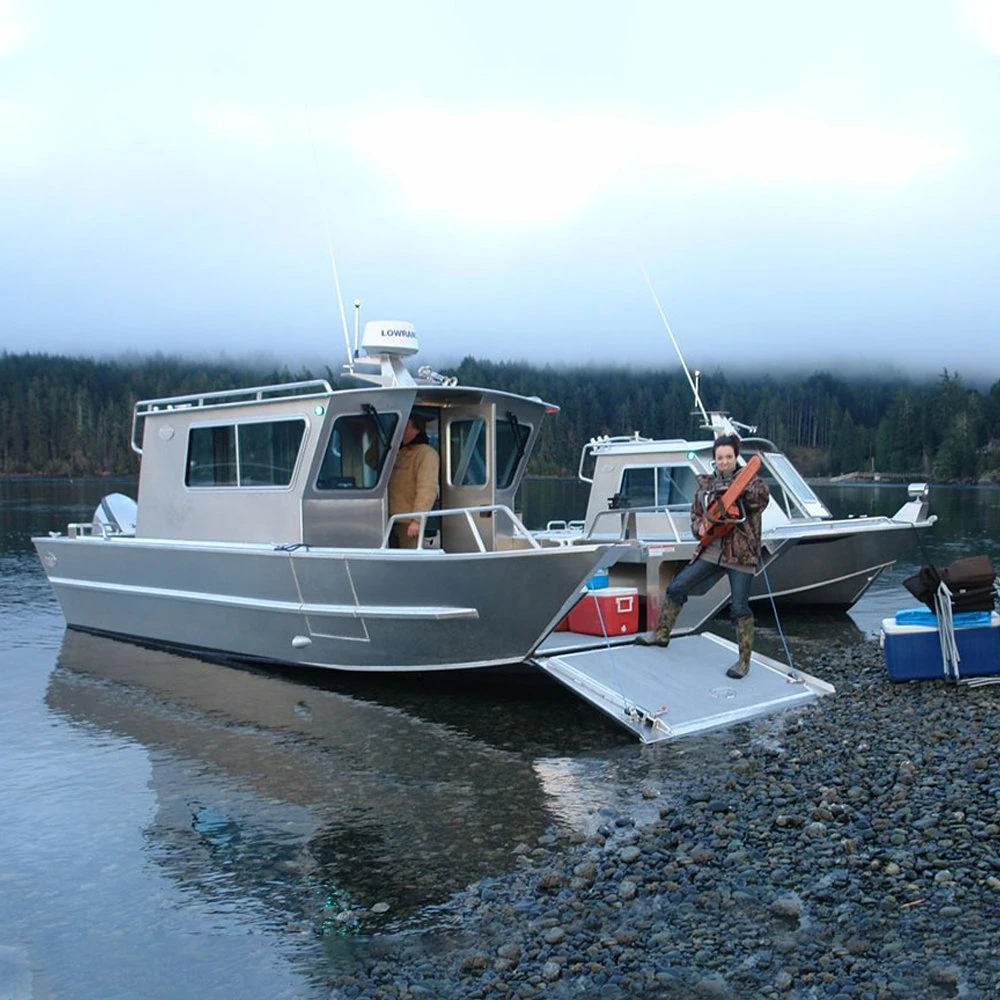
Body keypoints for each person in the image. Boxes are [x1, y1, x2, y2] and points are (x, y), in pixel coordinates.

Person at [637, 433, 770, 679]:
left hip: (740, 555)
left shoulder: (753, 483)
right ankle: (662, 634)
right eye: (720, 457)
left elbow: (760, 501)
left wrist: (735, 491)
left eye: (729, 457)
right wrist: (698, 527)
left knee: (739, 607)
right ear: (715, 459)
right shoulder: (705, 486)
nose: (724, 461)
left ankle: (744, 661)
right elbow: (696, 517)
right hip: (712, 550)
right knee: (677, 586)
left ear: (736, 457)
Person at [387, 413, 440, 549]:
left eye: (404, 427)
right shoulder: (398, 452)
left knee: (408, 557)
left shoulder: (426, 454)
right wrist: (387, 440)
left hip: (408, 521)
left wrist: (417, 520)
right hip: (390, 518)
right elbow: (370, 459)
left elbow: (427, 488)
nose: (400, 430)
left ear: (416, 429)